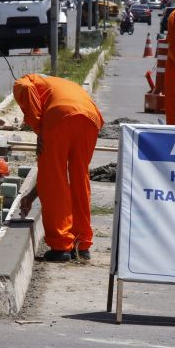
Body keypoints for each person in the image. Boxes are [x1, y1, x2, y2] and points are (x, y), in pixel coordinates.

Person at [14, 74, 104, 262]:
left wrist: (38, 127)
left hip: (59, 115)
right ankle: (82, 244)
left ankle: (61, 245)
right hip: (90, 118)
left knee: (54, 178)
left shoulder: (25, 80)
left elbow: (25, 89)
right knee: (80, 177)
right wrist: (31, 196)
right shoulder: (62, 83)